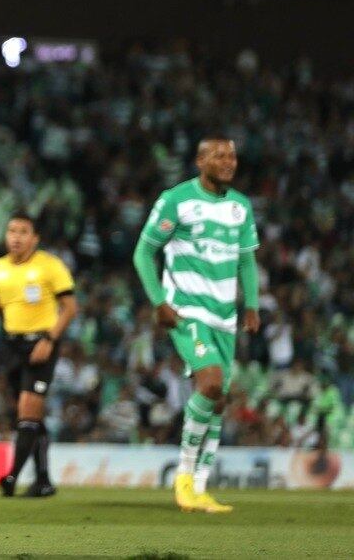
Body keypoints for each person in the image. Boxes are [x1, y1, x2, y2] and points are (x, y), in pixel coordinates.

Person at [132, 136, 260, 514]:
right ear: (200, 160)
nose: (228, 162)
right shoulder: (176, 200)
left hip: (224, 316)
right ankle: (184, 475)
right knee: (210, 383)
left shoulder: (240, 207)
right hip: (187, 311)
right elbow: (143, 252)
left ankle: (201, 488)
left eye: (232, 156)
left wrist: (251, 304)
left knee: (218, 400)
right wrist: (159, 302)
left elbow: (247, 261)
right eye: (219, 156)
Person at [0, 213, 77, 498]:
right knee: (26, 417)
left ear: (35, 238)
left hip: (41, 343)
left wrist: (50, 339)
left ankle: (12, 477)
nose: (16, 237)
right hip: (11, 346)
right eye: (11, 231)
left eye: (23, 231)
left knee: (28, 412)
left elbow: (69, 307)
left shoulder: (50, 266)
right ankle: (43, 480)